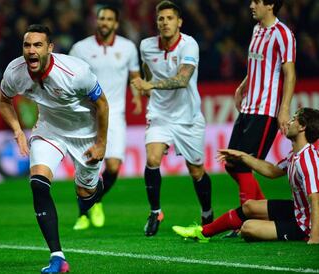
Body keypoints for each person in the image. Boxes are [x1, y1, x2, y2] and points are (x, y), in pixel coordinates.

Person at [0, 24, 109, 273]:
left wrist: (101, 143)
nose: (31, 50)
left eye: (37, 45)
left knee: (86, 195)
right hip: (49, 130)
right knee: (38, 183)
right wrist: (18, 131)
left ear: (50, 48)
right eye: (27, 45)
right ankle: (58, 257)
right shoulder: (15, 71)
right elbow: (3, 100)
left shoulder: (75, 72)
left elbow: (102, 105)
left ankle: (94, 187)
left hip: (86, 135)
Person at [172, 108, 319, 244]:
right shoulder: (295, 155)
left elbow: (315, 199)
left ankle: (306, 234)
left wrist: (314, 237)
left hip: (305, 225)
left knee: (248, 228)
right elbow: (272, 171)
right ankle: (203, 232)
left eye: (294, 119)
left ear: (302, 127)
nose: (288, 122)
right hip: (297, 210)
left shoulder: (308, 160)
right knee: (249, 206)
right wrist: (242, 156)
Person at [131, 1, 213, 237]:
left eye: (169, 18)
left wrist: (151, 84)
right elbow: (147, 70)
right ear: (156, 22)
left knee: (196, 170)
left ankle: (207, 213)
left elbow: (183, 79)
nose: (165, 23)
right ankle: (155, 211)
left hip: (188, 117)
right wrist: (145, 87)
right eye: (161, 19)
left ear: (179, 22)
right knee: (153, 158)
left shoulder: (189, 45)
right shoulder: (146, 45)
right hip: (160, 114)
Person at [69, 5, 142, 230]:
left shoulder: (128, 47)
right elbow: (69, 78)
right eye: (101, 18)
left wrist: (137, 96)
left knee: (112, 167)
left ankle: (96, 202)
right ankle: (82, 214)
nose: (104, 23)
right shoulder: (80, 48)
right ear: (96, 21)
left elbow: (135, 75)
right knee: (87, 167)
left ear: (116, 23)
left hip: (116, 114)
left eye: (109, 19)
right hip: (87, 115)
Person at [225, 0, 296, 207]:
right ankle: (261, 209)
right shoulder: (257, 29)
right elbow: (257, 64)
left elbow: (290, 74)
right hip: (248, 106)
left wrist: (283, 110)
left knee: (243, 165)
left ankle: (245, 216)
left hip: (266, 111)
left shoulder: (283, 34)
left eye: (256, 1)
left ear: (271, 5)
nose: (251, 6)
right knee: (231, 162)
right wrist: (242, 86)